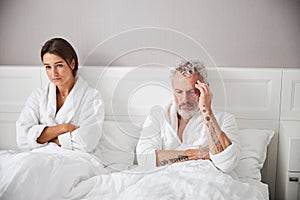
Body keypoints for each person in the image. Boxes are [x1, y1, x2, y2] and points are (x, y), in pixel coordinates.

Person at [136, 60, 241, 173]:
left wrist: (207, 112)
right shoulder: (158, 117)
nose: (185, 100)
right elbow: (144, 159)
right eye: (179, 92)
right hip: (164, 182)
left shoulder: (224, 120)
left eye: (192, 92)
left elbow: (227, 163)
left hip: (206, 183)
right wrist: (199, 153)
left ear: (205, 89)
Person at [16, 38, 104, 157]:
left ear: (72, 64)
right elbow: (22, 138)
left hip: (75, 158)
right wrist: (63, 128)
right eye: (48, 67)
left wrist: (42, 138)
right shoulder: (38, 96)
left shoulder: (92, 98)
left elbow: (86, 143)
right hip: (38, 156)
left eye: (59, 65)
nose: (54, 73)